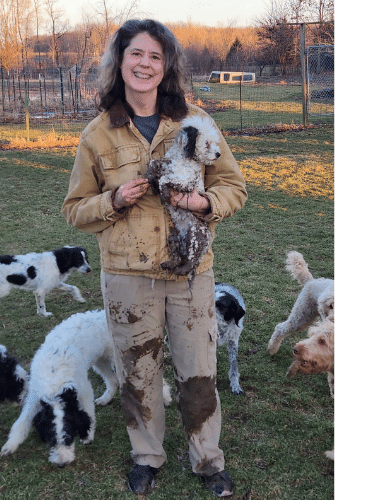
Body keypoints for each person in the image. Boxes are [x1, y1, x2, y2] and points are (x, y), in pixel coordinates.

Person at [61, 19, 247, 497]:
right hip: (127, 275)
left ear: (167, 68)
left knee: (198, 371)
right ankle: (147, 456)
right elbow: (75, 210)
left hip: (190, 274)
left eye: (155, 57)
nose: (145, 64)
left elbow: (233, 186)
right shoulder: (97, 135)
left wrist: (203, 204)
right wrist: (114, 200)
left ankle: (208, 461)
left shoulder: (195, 121)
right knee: (138, 373)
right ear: (119, 63)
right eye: (136, 55)